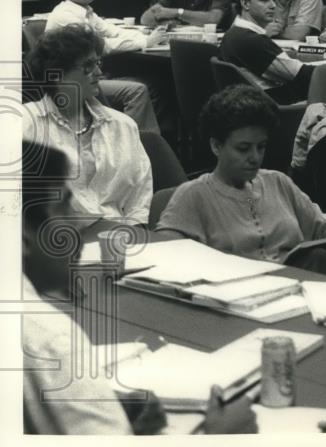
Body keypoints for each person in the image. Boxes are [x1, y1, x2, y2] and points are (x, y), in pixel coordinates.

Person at [21, 139, 258, 435]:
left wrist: (101, 408)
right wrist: (218, 434)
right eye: (63, 207)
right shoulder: (48, 340)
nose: (77, 223)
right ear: (21, 238)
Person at [156, 85, 326, 275]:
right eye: (243, 148)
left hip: (296, 289)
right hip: (231, 296)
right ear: (216, 146)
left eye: (261, 147)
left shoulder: (278, 182)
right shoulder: (193, 195)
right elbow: (164, 257)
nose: (255, 157)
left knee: (320, 257)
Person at [24, 25, 153, 225]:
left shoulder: (123, 125)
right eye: (88, 66)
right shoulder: (23, 125)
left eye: (98, 63)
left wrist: (131, 235)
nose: (99, 72)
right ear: (57, 73)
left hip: (118, 239)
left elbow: (140, 197)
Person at [43, 0, 163, 132]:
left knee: (156, 84)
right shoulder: (66, 16)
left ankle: (158, 144)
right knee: (138, 90)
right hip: (72, 82)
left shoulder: (85, 11)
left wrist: (146, 37)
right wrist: (146, 42)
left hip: (90, 74)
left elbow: (113, 31)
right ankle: (136, 146)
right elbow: (104, 47)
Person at [218, 0, 315, 105]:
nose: (273, 5)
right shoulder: (250, 40)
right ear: (245, 3)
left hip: (252, 106)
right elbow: (303, 75)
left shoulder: (233, 32)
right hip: (279, 110)